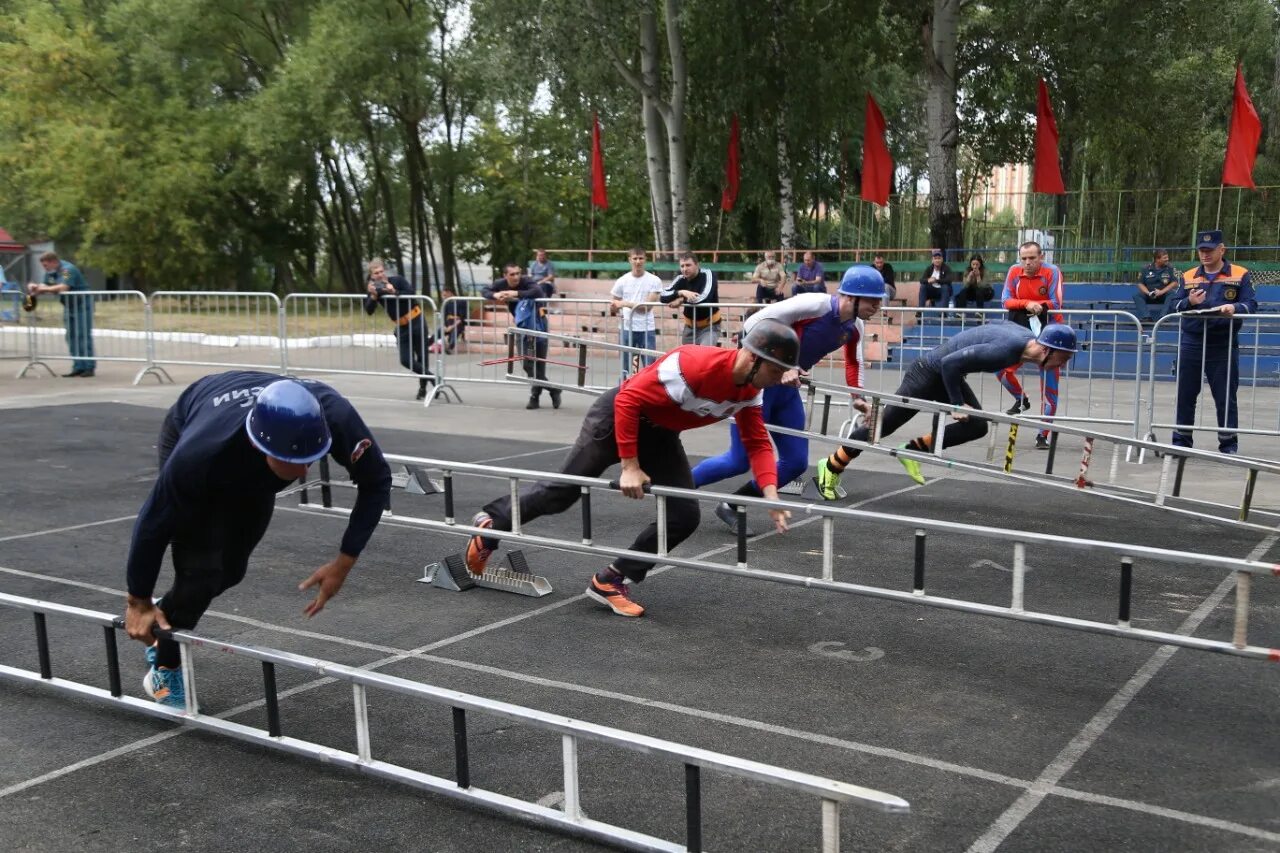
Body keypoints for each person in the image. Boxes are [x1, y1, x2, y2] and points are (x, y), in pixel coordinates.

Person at [463, 320, 800, 617]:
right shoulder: (693, 364)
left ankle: (610, 579)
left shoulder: (752, 390)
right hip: (617, 418)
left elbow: (756, 442)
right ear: (755, 357)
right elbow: (629, 399)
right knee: (561, 495)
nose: (778, 379)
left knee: (684, 516)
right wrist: (629, 466)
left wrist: (770, 494)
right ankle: (493, 526)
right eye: (776, 370)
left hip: (660, 434)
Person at [122, 373, 393, 708]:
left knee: (231, 570)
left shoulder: (334, 416)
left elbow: (377, 481)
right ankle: (165, 666)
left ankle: (175, 606)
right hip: (196, 422)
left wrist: (344, 562)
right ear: (258, 445)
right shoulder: (199, 456)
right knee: (201, 572)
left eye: (310, 458)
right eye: (292, 462)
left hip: (253, 464)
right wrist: (138, 600)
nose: (303, 471)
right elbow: (154, 522)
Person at [694, 266, 886, 532]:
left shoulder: (855, 326)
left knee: (795, 462)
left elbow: (854, 360)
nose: (877, 305)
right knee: (739, 461)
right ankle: (678, 487)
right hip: (757, 388)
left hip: (786, 391)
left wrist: (858, 396)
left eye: (879, 300)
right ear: (851, 297)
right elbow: (753, 324)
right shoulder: (813, 304)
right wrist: (783, 364)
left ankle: (733, 505)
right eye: (872, 300)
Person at [816, 323, 1079, 496]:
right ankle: (829, 466)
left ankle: (913, 451)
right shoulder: (1006, 350)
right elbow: (950, 363)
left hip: (944, 373)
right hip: (930, 372)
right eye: (1063, 359)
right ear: (1047, 349)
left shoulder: (1025, 341)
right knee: (883, 426)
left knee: (977, 425)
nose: (1063, 366)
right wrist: (955, 403)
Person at [1166, 230, 1257, 454]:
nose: (1205, 254)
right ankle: (1181, 443)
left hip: (1223, 343)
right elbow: (1172, 306)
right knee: (1186, 394)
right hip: (1192, 341)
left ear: (1222, 250)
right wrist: (1189, 301)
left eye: (1209, 250)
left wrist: (1234, 308)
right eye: (1201, 250)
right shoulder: (1188, 276)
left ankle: (1228, 445)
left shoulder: (1240, 274)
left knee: (1225, 395)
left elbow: (1251, 304)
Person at [996, 241, 1065, 449]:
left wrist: (1040, 306)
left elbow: (1056, 303)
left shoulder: (1052, 272)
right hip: (1021, 330)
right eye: (1024, 258)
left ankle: (1043, 434)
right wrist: (1026, 303)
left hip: (1050, 334)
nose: (1027, 262)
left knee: (1049, 388)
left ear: (1041, 257)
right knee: (1000, 368)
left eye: (1032, 258)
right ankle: (1021, 399)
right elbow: (1005, 300)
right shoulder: (1014, 271)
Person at [483, 263, 561, 409]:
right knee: (527, 363)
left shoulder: (526, 281)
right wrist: (495, 295)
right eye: (512, 274)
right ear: (505, 275)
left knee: (539, 363)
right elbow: (485, 290)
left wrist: (515, 293)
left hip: (539, 324)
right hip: (522, 327)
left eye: (518, 273)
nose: (516, 277)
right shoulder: (501, 283)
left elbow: (537, 291)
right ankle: (553, 389)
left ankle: (534, 397)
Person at [362, 258, 434, 400]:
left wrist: (394, 291)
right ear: (371, 275)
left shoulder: (397, 280)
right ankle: (433, 378)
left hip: (416, 320)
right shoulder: (374, 288)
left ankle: (423, 388)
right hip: (401, 326)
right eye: (376, 273)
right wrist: (374, 296)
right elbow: (369, 310)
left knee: (422, 357)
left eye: (382, 271)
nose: (380, 275)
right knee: (405, 360)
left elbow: (411, 294)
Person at [26, 251, 95, 377]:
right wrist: (35, 287)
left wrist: (43, 289)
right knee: (71, 336)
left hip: (82, 305)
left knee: (82, 335)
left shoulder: (66, 270)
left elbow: (63, 287)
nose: (45, 268)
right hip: (69, 305)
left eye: (46, 265)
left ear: (53, 262)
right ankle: (78, 366)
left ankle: (88, 366)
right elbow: (45, 285)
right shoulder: (51, 272)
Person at [610, 247, 663, 378]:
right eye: (635, 258)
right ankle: (624, 394)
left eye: (641, 258)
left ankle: (649, 396)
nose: (638, 261)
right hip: (627, 328)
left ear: (645, 260)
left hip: (647, 328)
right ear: (630, 260)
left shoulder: (654, 280)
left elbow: (646, 307)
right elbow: (614, 306)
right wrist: (614, 307)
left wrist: (624, 303)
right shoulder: (622, 280)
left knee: (650, 368)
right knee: (625, 368)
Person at [660, 252, 721, 346]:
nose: (685, 269)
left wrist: (681, 299)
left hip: (709, 327)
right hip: (689, 328)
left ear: (697, 265)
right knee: (688, 358)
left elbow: (704, 299)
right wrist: (681, 292)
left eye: (688, 265)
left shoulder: (708, 274)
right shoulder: (680, 278)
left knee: (704, 356)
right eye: (682, 266)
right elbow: (663, 296)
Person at [1133, 249, 1178, 323]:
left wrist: (1161, 292)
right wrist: (1148, 293)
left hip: (1164, 294)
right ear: (1157, 259)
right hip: (1150, 294)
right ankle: (1146, 317)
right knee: (1137, 295)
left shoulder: (1170, 268)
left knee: (1172, 293)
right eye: (1165, 258)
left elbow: (1175, 283)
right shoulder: (1145, 268)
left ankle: (1163, 317)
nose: (1167, 259)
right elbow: (1140, 283)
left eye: (1167, 257)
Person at [438, 287, 466, 354]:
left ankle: (449, 348)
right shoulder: (446, 303)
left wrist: (452, 327)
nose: (443, 297)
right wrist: (444, 326)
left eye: (445, 295)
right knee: (439, 330)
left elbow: (462, 318)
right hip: (449, 323)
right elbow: (443, 316)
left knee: (455, 331)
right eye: (442, 295)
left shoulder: (461, 302)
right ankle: (427, 344)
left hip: (458, 323)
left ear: (450, 293)